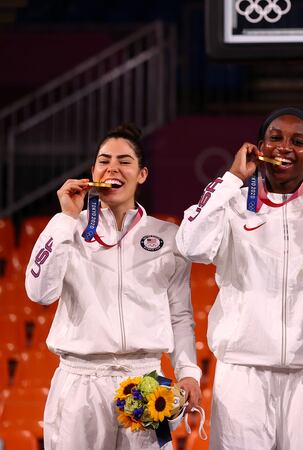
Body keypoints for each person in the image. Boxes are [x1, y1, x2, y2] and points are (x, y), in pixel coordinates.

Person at [176, 107, 303, 450]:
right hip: (243, 377)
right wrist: (232, 177)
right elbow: (191, 245)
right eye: (275, 138)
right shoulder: (231, 204)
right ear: (259, 146)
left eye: (297, 141)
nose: (284, 147)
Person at [25, 124, 202, 449]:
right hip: (81, 382)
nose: (113, 168)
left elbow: (180, 315)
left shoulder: (168, 237)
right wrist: (65, 219)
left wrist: (188, 371)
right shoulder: (67, 229)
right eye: (104, 160)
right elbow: (39, 292)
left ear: (142, 174)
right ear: (92, 172)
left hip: (145, 381)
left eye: (124, 160)